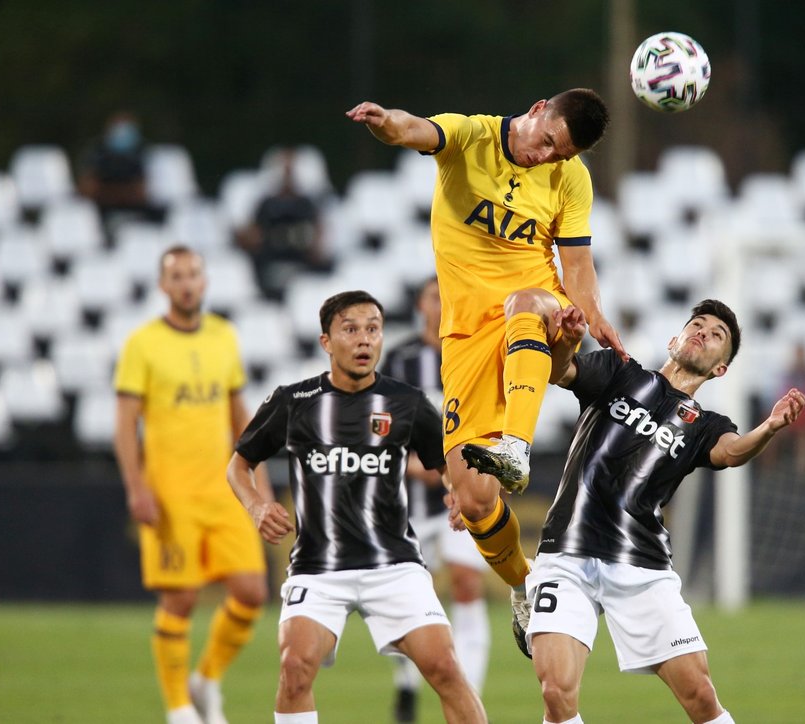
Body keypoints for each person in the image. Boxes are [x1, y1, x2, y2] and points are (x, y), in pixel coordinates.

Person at [347, 89, 628, 653]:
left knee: (526, 302)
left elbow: (575, 264)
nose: (546, 157)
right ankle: (526, 585)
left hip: (540, 312)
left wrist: (590, 315)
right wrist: (384, 123)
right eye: (547, 141)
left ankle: (516, 448)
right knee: (474, 499)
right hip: (467, 337)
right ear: (537, 109)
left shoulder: (570, 178)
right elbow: (413, 128)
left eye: (560, 154)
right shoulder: (472, 137)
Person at [525, 300, 805, 723]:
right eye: (697, 324)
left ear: (720, 370)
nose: (703, 333)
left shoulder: (705, 424)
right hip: (567, 552)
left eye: (717, 336)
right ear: (675, 339)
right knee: (556, 692)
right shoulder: (621, 372)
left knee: (700, 695)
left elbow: (730, 453)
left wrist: (768, 427)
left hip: (639, 566)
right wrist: (565, 342)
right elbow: (559, 371)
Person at [225, 290, 487, 724]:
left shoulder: (406, 402)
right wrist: (255, 506)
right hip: (318, 567)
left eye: (373, 329)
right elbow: (239, 464)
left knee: (445, 667)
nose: (364, 340)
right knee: (294, 668)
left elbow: (446, 464)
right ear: (326, 341)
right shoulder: (295, 402)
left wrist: (457, 494)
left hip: (394, 564)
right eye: (350, 330)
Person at [114, 245, 271, 724]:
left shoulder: (224, 336)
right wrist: (137, 488)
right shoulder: (142, 344)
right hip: (171, 493)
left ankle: (205, 679)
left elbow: (240, 418)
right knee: (179, 599)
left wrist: (258, 483)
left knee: (251, 591)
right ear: (163, 286)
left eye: (193, 275)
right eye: (176, 276)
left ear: (205, 282)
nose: (186, 283)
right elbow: (125, 424)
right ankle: (179, 708)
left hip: (223, 488)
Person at [381, 277, 491, 722]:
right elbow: (378, 427)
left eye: (449, 295)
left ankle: (469, 700)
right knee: (407, 599)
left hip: (462, 493)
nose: (442, 304)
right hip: (405, 500)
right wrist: (418, 466)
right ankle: (407, 681)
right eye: (433, 296)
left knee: (467, 583)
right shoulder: (400, 361)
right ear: (420, 304)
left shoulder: (476, 352)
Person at [235, 147, 328, 301]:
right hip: (269, 270)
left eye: (291, 170)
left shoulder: (307, 205)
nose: (287, 175)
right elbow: (250, 238)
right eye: (283, 170)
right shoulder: (266, 204)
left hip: (302, 271)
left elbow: (318, 248)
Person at [78, 110, 154, 219]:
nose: (122, 134)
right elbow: (87, 189)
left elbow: (144, 193)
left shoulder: (145, 153)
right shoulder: (97, 152)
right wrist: (126, 193)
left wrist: (106, 192)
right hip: (100, 214)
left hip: (139, 213)